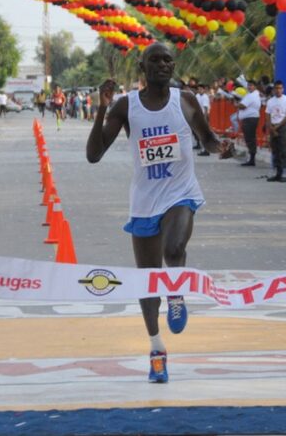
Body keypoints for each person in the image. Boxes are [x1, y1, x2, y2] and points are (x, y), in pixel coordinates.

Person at [87, 43, 227, 384]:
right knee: (148, 282)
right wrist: (101, 110)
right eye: (155, 59)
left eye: (167, 60)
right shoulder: (126, 106)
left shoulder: (186, 100)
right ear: (142, 66)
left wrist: (221, 147)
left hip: (181, 193)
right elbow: (94, 155)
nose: (163, 64)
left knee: (174, 249)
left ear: (173, 65)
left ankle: (176, 294)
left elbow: (206, 138)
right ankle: (156, 349)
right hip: (145, 202)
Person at [264, 80, 286, 182]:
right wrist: (270, 127)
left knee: (284, 150)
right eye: (276, 88)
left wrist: (277, 127)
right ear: (273, 89)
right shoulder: (270, 101)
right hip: (272, 127)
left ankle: (284, 173)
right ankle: (276, 172)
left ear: (283, 89)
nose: (278, 90)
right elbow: (267, 115)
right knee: (275, 151)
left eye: (280, 88)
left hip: (282, 127)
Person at [238, 80, 262, 166]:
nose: (249, 87)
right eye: (248, 85)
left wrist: (238, 104)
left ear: (255, 86)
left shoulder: (252, 95)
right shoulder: (252, 94)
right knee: (250, 138)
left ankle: (252, 159)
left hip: (250, 119)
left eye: (251, 85)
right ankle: (251, 158)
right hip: (250, 118)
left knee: (250, 139)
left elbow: (242, 105)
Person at [195, 84, 211, 156]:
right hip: (198, 116)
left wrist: (204, 118)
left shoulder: (205, 97)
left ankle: (206, 150)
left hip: (204, 116)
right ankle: (203, 148)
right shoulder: (197, 96)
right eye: (198, 89)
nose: (200, 90)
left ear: (204, 89)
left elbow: (205, 108)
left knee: (204, 134)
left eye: (201, 89)